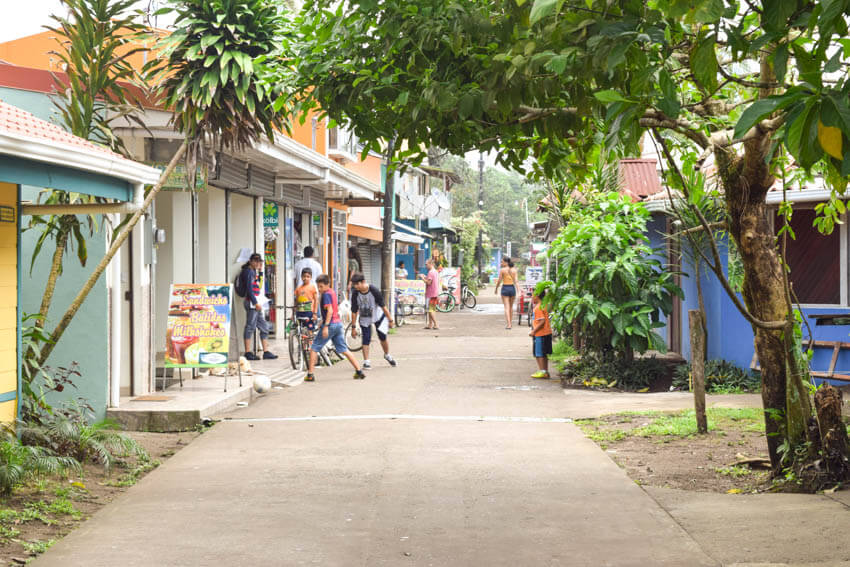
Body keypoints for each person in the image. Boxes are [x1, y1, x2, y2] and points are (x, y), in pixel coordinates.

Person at [305, 274, 365, 382]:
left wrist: (325, 326)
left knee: (314, 348)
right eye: (318, 286)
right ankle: (359, 371)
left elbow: (330, 311)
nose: (319, 289)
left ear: (328, 284)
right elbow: (333, 310)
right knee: (344, 349)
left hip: (331, 325)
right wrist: (322, 322)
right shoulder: (332, 292)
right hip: (338, 324)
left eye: (321, 286)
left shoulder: (326, 295)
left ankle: (310, 374)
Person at [349, 273, 397, 369]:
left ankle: (387, 354)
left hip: (377, 315)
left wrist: (390, 319)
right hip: (364, 318)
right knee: (366, 338)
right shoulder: (355, 293)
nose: (355, 286)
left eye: (356, 284)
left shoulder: (374, 290)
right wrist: (353, 327)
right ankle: (366, 361)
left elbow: (383, 306)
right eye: (354, 284)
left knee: (382, 337)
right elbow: (354, 311)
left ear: (363, 282)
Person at [238, 253, 277, 360]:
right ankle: (247, 352)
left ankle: (266, 351)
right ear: (250, 261)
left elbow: (259, 286)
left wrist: (260, 271)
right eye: (255, 261)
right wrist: (255, 303)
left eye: (259, 261)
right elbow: (250, 290)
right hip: (252, 303)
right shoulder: (248, 272)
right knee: (250, 326)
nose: (257, 263)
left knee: (263, 326)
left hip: (256, 303)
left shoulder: (253, 272)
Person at [529, 289, 553, 379]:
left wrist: (533, 331)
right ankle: (545, 371)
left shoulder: (538, 308)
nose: (531, 298)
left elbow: (541, 321)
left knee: (538, 354)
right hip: (547, 333)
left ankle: (542, 371)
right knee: (544, 353)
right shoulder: (544, 305)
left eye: (532, 296)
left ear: (537, 296)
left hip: (540, 334)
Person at [494, 256, 518, 329]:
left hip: (505, 288)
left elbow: (499, 281)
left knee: (506, 307)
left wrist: (496, 288)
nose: (501, 263)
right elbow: (516, 281)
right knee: (511, 307)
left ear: (506, 262)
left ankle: (509, 324)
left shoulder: (502, 270)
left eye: (502, 262)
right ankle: (510, 323)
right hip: (512, 288)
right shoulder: (514, 270)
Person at [420, 258, 440, 330]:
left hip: (430, 294)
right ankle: (430, 324)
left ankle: (436, 324)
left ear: (430, 264)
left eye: (426, 264)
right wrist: (425, 277)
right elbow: (432, 281)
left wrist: (422, 278)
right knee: (431, 309)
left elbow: (429, 282)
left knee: (430, 310)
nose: (426, 266)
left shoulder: (431, 272)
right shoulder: (435, 272)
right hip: (434, 293)